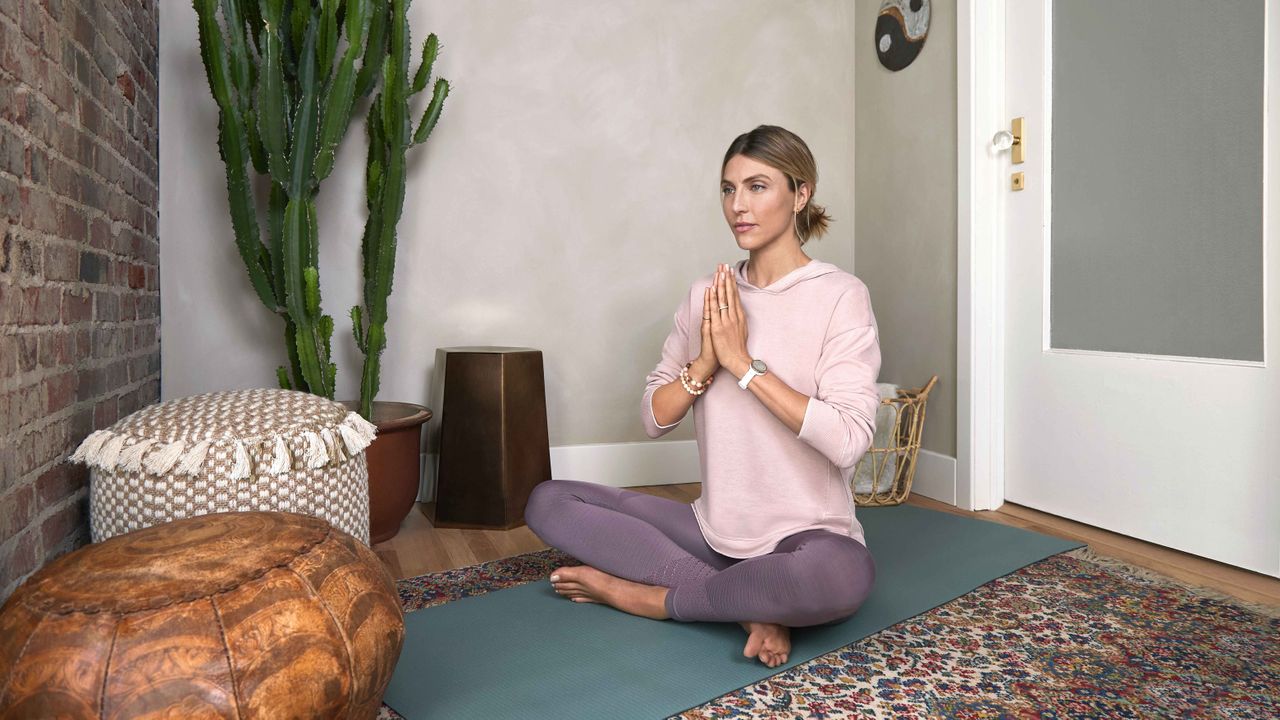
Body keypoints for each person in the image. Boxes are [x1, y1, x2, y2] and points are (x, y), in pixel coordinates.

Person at [525, 125, 880, 669]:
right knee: (548, 501)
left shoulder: (841, 297)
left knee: (838, 579)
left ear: (801, 194)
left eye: (758, 187)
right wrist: (706, 362)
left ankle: (656, 599)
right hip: (712, 529)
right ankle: (744, 604)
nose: (738, 205)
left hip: (809, 539)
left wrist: (741, 363)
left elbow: (850, 440)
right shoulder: (706, 296)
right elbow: (653, 418)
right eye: (727, 188)